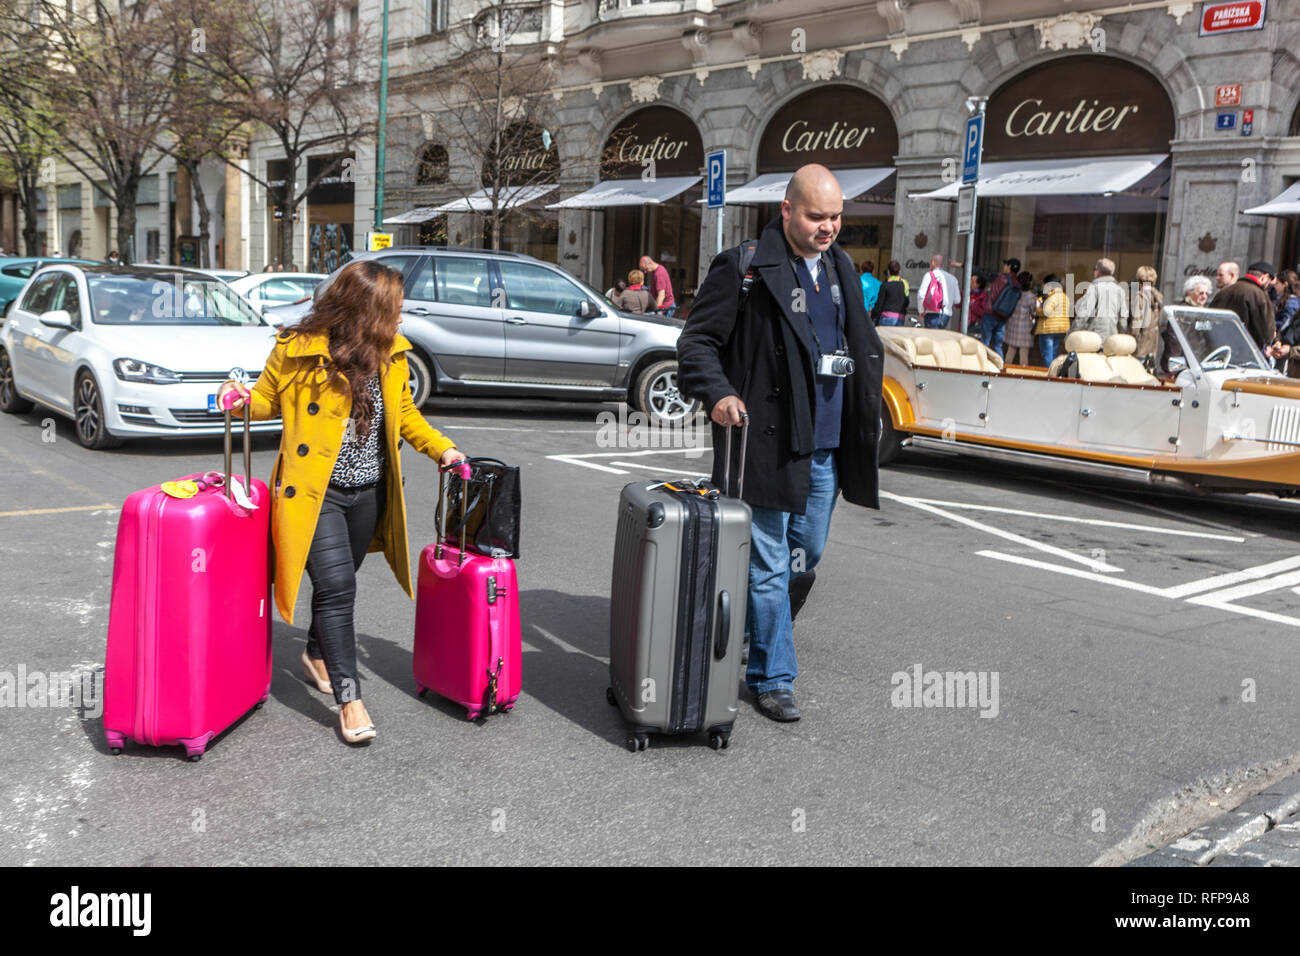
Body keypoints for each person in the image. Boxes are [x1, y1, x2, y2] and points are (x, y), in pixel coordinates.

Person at [217, 260, 468, 745]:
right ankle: (350, 700)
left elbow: (406, 415)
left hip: (368, 492)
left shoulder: (392, 353)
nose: (401, 316)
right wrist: (240, 396)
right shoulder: (297, 349)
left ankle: (316, 653)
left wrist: (443, 448)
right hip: (316, 495)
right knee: (336, 590)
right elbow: (267, 401)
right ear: (366, 309)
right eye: (394, 307)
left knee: (341, 585)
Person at [676, 163, 884, 723]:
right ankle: (773, 676)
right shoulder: (743, 267)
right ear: (786, 210)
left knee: (805, 554)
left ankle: (748, 630)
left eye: (837, 216)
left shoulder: (840, 268)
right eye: (817, 216)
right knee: (767, 564)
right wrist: (717, 393)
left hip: (826, 445)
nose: (829, 227)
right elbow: (696, 343)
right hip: (763, 441)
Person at [1209, 260, 1276, 351]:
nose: (1268, 286)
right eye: (1269, 282)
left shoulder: (1224, 292)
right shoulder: (1260, 295)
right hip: (1244, 353)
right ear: (1265, 277)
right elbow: (1267, 334)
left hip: (1218, 349)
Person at [1072, 257, 1128, 340]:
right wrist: (1123, 336)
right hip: (1111, 338)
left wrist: (1072, 333)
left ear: (1097, 272)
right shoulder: (1120, 290)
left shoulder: (1094, 288)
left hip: (1094, 338)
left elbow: (1083, 314)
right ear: (1111, 273)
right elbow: (1123, 318)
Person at [1266, 269, 1300, 376]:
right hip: (1291, 367)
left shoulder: (1292, 303)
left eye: (1277, 283)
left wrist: (1290, 350)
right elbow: (1287, 326)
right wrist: (1278, 340)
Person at [1129, 265, 1164, 363]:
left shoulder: (1140, 297)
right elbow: (1160, 321)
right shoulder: (1158, 297)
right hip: (1153, 346)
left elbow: (1136, 325)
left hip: (1140, 346)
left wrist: (1131, 343)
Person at [1034, 274, 1069, 367]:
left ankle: (1048, 375)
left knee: (1047, 354)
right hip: (1061, 329)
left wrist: (1037, 308)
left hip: (1048, 329)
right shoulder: (1064, 296)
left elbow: (1046, 312)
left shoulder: (1052, 297)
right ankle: (1054, 373)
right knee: (1053, 353)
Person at [1003, 271, 1036, 365]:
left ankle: (1006, 370)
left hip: (1012, 324)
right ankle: (1023, 373)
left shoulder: (1014, 292)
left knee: (1011, 350)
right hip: (1025, 327)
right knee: (1024, 353)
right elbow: (1033, 311)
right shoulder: (1031, 296)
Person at [916, 254, 954, 329]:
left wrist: (921, 311)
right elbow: (957, 299)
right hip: (945, 315)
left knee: (931, 339)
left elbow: (921, 295)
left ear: (933, 262)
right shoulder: (951, 278)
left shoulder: (929, 275)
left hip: (931, 314)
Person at [871, 261, 909, 326]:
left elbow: (880, 304)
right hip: (900, 317)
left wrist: (874, 316)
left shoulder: (885, 285)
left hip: (886, 317)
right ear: (899, 271)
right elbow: (906, 301)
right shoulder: (904, 284)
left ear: (888, 272)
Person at [967, 274, 989, 339]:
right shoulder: (968, 292)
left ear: (978, 284)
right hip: (965, 322)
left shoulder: (983, 296)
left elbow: (983, 312)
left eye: (972, 281)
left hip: (974, 324)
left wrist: (972, 305)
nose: (970, 282)